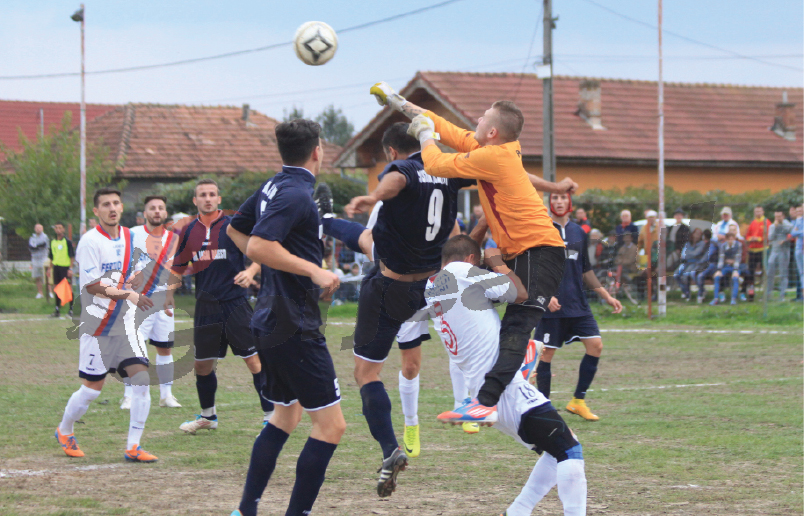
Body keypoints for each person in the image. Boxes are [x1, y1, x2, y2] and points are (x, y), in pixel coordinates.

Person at [370, 82, 571, 420]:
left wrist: (423, 137)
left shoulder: (493, 156)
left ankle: (486, 401)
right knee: (470, 296)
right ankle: (508, 373)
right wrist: (397, 102)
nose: (475, 120)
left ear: (492, 132)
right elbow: (440, 124)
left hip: (541, 252)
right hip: (520, 253)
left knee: (517, 326)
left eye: (482, 118)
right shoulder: (489, 148)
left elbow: (433, 163)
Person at [340, 120, 476, 496]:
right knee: (447, 353)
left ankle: (390, 447)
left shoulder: (401, 172)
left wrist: (373, 196)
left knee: (366, 373)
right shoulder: (447, 169)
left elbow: (394, 184)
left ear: (390, 152)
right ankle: (476, 401)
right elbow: (500, 172)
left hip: (390, 288)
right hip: (429, 287)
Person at [226, 118, 346, 516]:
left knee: (284, 416)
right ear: (318, 150)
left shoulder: (274, 185)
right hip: (294, 324)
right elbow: (257, 242)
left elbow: (235, 231)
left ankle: (246, 510)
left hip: (270, 319)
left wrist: (278, 265)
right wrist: (312, 270)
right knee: (331, 427)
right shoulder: (294, 192)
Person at [423, 235, 587, 516]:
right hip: (501, 387)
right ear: (471, 261)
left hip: (487, 386)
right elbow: (518, 292)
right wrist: (499, 262)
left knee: (557, 446)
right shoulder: (461, 272)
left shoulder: (434, 287)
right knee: (569, 450)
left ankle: (517, 512)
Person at [55, 187, 159, 463]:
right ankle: (64, 430)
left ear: (122, 207)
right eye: (105, 204)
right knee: (91, 389)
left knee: (141, 381)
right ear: (96, 211)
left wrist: (137, 277)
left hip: (125, 323)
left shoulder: (131, 235)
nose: (112, 208)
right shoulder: (89, 242)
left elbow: (139, 267)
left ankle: (133, 446)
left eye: (116, 203)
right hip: (98, 324)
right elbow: (92, 285)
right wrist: (129, 293)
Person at [170, 179, 273, 434]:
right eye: (202, 195)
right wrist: (167, 294)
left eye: (212, 194)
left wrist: (250, 272)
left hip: (235, 303)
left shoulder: (233, 226)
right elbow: (178, 268)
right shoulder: (188, 231)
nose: (207, 198)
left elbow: (260, 252)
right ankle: (208, 417)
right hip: (206, 307)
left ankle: (271, 416)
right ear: (195, 201)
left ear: (219, 199)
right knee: (202, 365)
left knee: (254, 361)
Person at [533, 193, 623, 422]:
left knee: (596, 345)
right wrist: (544, 296)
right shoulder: (541, 228)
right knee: (546, 354)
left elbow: (586, 270)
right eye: (555, 198)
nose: (560, 202)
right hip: (551, 306)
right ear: (550, 202)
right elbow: (532, 267)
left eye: (564, 197)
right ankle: (544, 408)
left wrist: (606, 295)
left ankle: (578, 401)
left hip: (577, 304)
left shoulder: (579, 232)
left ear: (570, 203)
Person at [122, 195, 182, 409]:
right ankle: (129, 396)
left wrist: (170, 295)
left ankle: (166, 395)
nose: (157, 211)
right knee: (134, 348)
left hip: (162, 300)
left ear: (165, 213)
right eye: (152, 208)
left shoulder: (172, 238)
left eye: (161, 208)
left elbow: (174, 269)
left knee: (165, 348)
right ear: (145, 213)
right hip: (138, 300)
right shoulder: (131, 234)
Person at [744, 206, 771, 300]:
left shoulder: (766, 222)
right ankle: (751, 292)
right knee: (750, 272)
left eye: (759, 211)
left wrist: (759, 239)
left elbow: (769, 236)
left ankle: (766, 293)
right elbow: (747, 235)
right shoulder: (753, 223)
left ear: (763, 211)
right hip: (752, 250)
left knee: (765, 271)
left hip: (763, 250)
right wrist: (750, 239)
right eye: (756, 211)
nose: (757, 213)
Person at [711, 228, 743, 305]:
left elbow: (738, 258)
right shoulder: (723, 246)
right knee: (717, 277)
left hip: (735, 266)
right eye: (729, 239)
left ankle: (733, 299)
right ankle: (715, 299)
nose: (731, 240)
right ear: (726, 239)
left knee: (735, 278)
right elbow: (721, 258)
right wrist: (719, 270)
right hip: (725, 267)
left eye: (732, 238)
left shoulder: (738, 245)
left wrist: (735, 270)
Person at [49, 223, 75, 317]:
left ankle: (71, 309)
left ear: (63, 229)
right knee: (57, 288)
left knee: (68, 288)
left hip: (65, 267)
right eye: (56, 228)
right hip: (56, 267)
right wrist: (49, 268)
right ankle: (57, 309)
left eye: (60, 228)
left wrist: (70, 269)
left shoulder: (67, 241)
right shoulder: (53, 242)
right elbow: (51, 256)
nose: (58, 230)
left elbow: (71, 256)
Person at [766, 211, 793, 301]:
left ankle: (782, 295)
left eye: (779, 216)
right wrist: (776, 227)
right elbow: (770, 237)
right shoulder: (772, 226)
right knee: (770, 272)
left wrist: (784, 239)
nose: (777, 218)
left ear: (783, 216)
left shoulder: (788, 224)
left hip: (784, 251)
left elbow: (791, 233)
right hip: (774, 251)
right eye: (776, 217)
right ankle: (768, 294)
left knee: (783, 274)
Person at [674, 228, 706, 300]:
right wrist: (688, 255)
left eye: (699, 234)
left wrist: (687, 254)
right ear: (693, 234)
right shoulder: (688, 243)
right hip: (685, 263)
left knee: (686, 274)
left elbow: (696, 253)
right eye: (696, 233)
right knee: (676, 275)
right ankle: (685, 291)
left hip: (694, 263)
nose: (697, 235)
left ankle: (692, 293)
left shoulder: (702, 243)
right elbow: (683, 255)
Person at [696, 230, 720, 303]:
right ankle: (702, 290)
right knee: (693, 273)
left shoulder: (712, 244)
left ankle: (700, 294)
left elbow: (708, 256)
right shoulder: (702, 244)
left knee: (700, 276)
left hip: (712, 265)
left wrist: (700, 262)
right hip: (703, 264)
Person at [28, 223, 49, 299]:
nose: (38, 229)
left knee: (47, 276)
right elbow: (31, 247)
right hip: (35, 259)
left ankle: (49, 292)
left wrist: (36, 246)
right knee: (37, 276)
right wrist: (37, 246)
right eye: (36, 228)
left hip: (43, 258)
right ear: (34, 229)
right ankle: (40, 292)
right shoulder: (32, 237)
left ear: (42, 229)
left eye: (39, 228)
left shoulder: (45, 237)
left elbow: (43, 245)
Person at [791, 204, 804, 302]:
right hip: (798, 248)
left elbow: (797, 232)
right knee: (801, 273)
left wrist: (799, 231)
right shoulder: (798, 221)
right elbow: (793, 233)